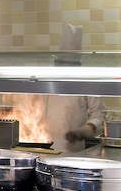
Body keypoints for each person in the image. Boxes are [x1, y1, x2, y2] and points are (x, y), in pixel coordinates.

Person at [39, 24, 106, 153]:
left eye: (70, 64)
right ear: (56, 62)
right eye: (61, 64)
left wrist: (85, 130)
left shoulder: (86, 80)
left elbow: (99, 114)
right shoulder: (45, 79)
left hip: (72, 150)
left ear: (77, 65)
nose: (65, 68)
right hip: (41, 147)